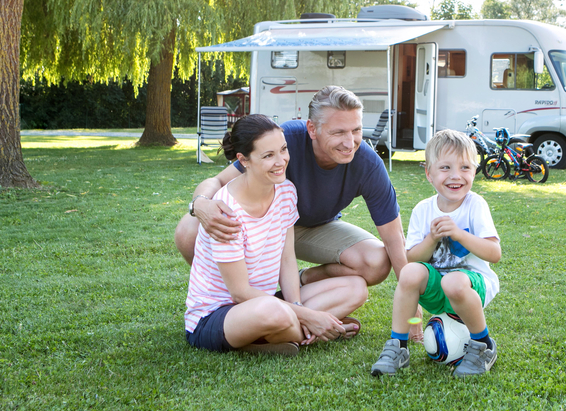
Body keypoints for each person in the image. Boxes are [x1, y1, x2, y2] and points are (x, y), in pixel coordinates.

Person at [176, 86, 415, 334]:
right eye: (338, 132)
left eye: (356, 130)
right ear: (312, 129)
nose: (349, 142)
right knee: (188, 228)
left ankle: (300, 283)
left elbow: (394, 236)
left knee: (376, 261)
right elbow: (218, 181)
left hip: (314, 228)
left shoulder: (367, 163)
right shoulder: (284, 140)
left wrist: (411, 296)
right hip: (268, 226)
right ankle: (230, 303)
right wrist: (200, 203)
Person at [185, 114, 368, 355]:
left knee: (356, 287)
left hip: (267, 300)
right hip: (218, 315)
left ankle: (281, 334)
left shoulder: (286, 192)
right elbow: (239, 293)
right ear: (244, 160)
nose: (281, 161)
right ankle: (314, 328)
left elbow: (287, 258)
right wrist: (309, 315)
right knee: (271, 312)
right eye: (268, 155)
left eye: (283, 149)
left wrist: (297, 306)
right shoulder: (225, 211)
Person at [370, 129, 501, 378]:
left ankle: (484, 345)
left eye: (465, 167)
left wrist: (460, 234)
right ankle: (398, 346)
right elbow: (412, 259)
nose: (456, 176)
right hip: (437, 289)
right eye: (445, 168)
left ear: (474, 171)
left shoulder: (475, 205)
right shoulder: (423, 209)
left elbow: (494, 253)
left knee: (453, 280)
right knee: (409, 272)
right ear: (429, 174)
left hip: (473, 286)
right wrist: (432, 238)